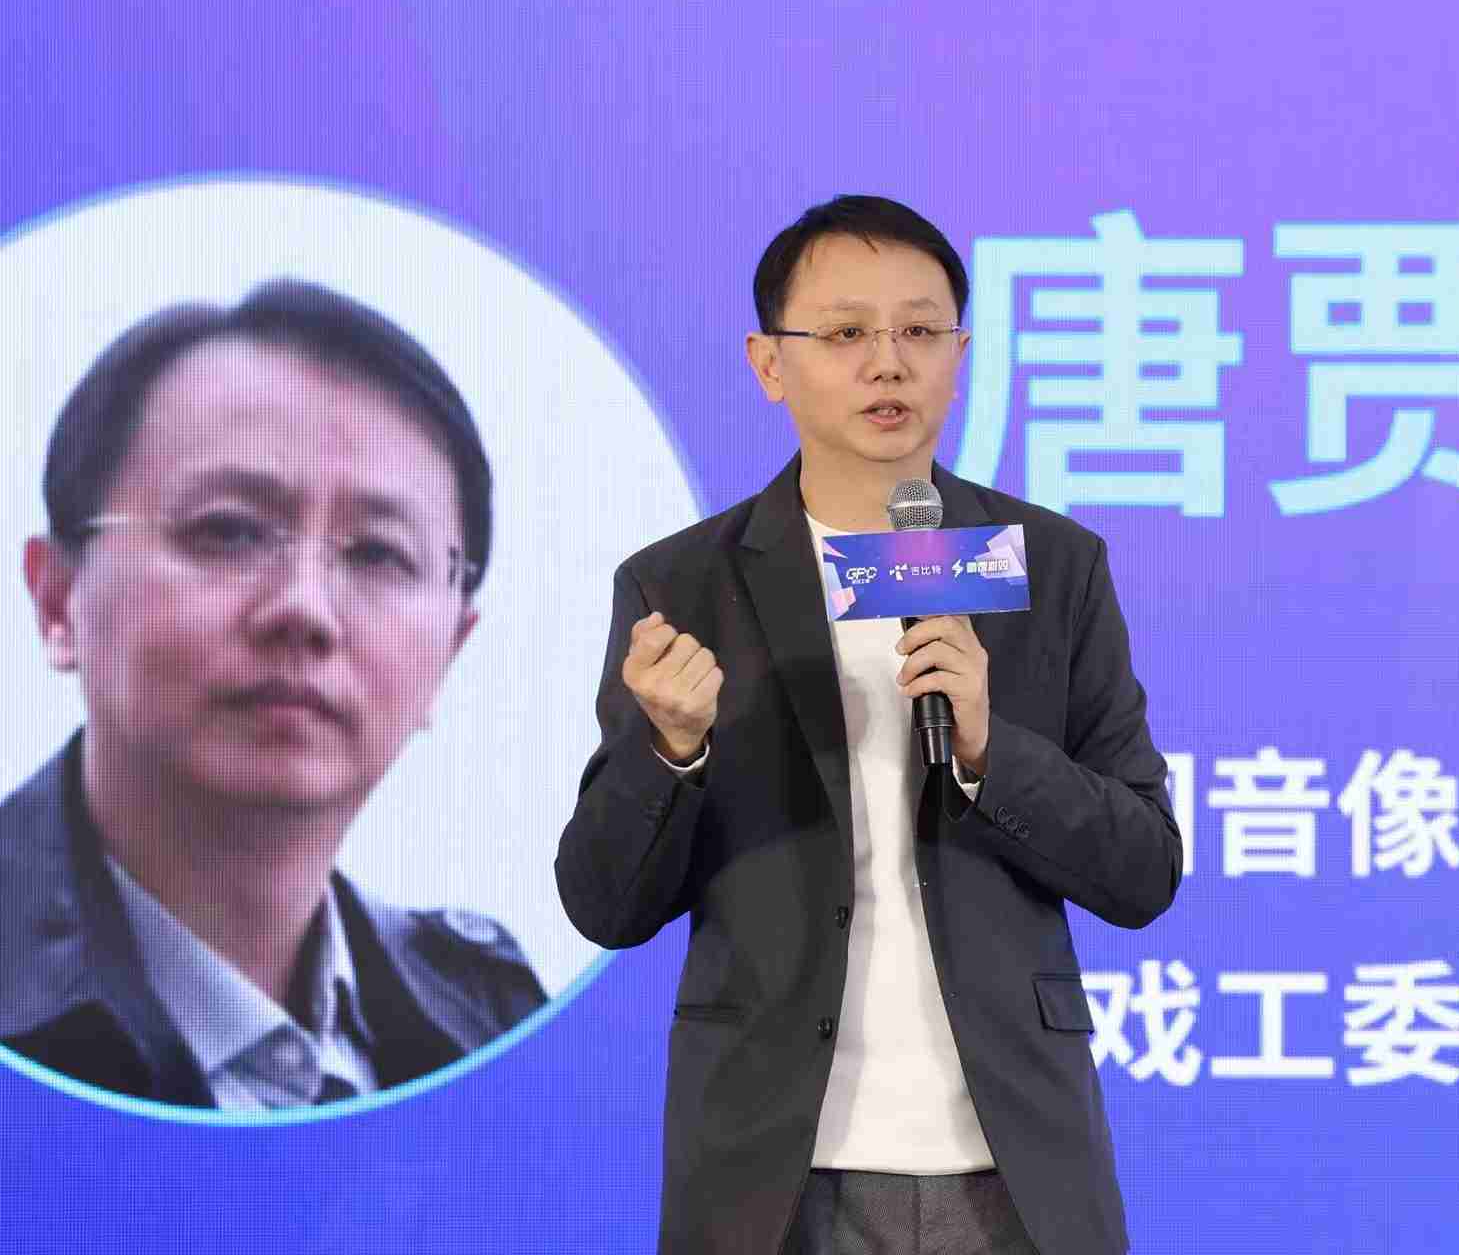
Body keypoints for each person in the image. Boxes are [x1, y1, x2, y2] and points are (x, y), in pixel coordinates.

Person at [556, 196, 1180, 1253]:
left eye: (920, 331)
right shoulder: (685, 586)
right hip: (777, 1173)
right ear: (770, 363)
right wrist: (670, 752)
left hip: (1015, 1166)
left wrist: (989, 750)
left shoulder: (1053, 567)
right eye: (847, 333)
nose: (888, 362)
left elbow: (1144, 871)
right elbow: (604, 904)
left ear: (959, 356)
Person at [0, 280, 546, 1110]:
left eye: (378, 554)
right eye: (227, 530)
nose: (304, 609)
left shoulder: (496, 1025)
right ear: (58, 598)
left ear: (448, 652)